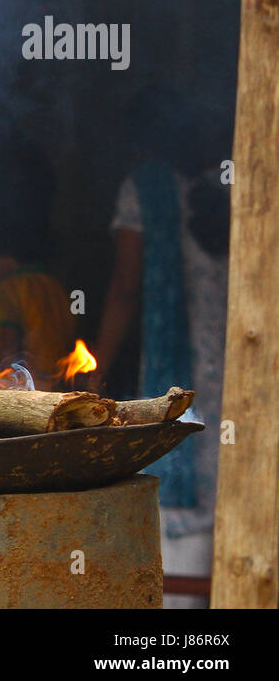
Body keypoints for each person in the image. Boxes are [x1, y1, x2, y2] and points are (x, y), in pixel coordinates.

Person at [92, 87, 230, 607]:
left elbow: (126, 288)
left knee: (182, 493)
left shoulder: (143, 189)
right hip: (249, 375)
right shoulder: (240, 181)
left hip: (184, 380)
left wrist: (95, 377)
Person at [0, 228, 77, 390]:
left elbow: (8, 344)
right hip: (64, 381)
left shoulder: (8, 287)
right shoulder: (58, 285)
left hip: (30, 383)